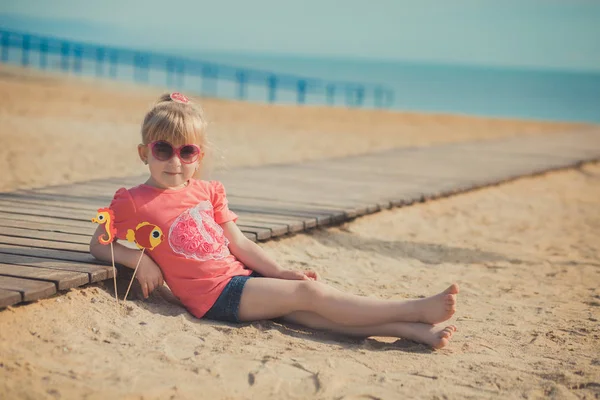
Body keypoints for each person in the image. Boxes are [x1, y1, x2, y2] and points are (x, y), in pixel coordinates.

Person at [89, 92, 459, 349]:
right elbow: (98, 242)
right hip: (214, 296)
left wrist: (278, 272)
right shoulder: (133, 201)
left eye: (187, 151)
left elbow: (240, 244)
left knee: (311, 315)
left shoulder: (207, 190)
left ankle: (409, 330)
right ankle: (413, 308)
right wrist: (139, 258)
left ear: (198, 157)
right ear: (144, 153)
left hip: (242, 279)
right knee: (310, 295)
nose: (175, 161)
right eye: (163, 150)